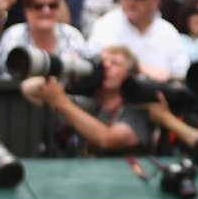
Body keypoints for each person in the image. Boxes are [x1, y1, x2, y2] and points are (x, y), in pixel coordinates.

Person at [19, 43, 152, 155]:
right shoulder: (90, 105)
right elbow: (28, 89)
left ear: (129, 75)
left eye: (115, 63)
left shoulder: (137, 109)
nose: (106, 66)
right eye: (102, 62)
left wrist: (61, 102)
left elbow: (107, 139)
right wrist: (65, 71)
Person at [86, 0, 189, 80]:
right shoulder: (106, 24)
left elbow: (181, 71)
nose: (132, 1)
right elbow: (106, 58)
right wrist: (141, 68)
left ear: (155, 1)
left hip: (159, 89)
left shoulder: (168, 31)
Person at [0, 0, 89, 75]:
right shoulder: (13, 36)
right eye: (38, 6)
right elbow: (6, 76)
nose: (46, 11)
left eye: (52, 5)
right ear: (27, 11)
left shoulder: (73, 36)